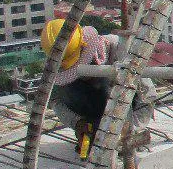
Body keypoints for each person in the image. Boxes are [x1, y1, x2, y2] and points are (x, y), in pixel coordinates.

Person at [41, 19, 151, 159]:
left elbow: (147, 96)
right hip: (92, 118)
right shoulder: (61, 65)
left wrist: (128, 132)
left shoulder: (120, 49)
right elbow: (56, 102)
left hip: (126, 118)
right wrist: (78, 123)